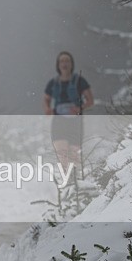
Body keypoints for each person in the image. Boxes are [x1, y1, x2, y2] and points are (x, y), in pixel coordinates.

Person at [43, 51, 94, 180]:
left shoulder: (79, 81)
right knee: (61, 151)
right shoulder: (53, 83)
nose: (64, 64)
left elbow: (90, 100)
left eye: (67, 61)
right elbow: (46, 99)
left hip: (75, 121)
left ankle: (76, 181)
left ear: (71, 64)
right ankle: (67, 180)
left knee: (73, 153)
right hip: (59, 121)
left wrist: (79, 108)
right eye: (61, 61)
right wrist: (47, 109)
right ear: (58, 65)